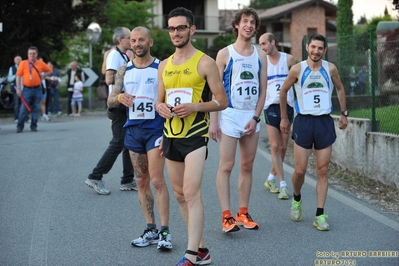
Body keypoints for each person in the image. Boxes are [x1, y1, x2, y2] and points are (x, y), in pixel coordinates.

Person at [156, 7, 228, 266]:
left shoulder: (204, 62)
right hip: (171, 135)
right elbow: (158, 102)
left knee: (191, 192)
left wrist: (195, 106)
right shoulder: (163, 65)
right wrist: (161, 107)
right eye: (172, 28)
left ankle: (190, 257)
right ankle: (202, 250)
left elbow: (222, 101)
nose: (175, 32)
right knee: (179, 195)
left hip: (196, 135)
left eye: (181, 27)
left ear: (191, 29)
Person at [107, 26, 172, 251]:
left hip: (155, 129)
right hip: (133, 130)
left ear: (150, 42)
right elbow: (110, 100)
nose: (137, 44)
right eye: (133, 41)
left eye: (141, 40)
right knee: (142, 181)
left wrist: (167, 131)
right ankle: (150, 229)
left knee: (157, 180)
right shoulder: (124, 70)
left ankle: (165, 231)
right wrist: (120, 97)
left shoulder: (161, 67)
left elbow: (170, 97)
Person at [279, 33, 348, 231]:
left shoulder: (330, 68)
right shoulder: (297, 69)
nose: (316, 51)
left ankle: (319, 214)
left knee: (322, 170)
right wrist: (285, 117)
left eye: (320, 48)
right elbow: (283, 91)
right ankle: (297, 198)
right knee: (300, 170)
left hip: (324, 122)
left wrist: (344, 114)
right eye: (313, 47)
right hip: (304, 122)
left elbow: (340, 88)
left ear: (324, 50)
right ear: (307, 47)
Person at [210, 8, 267, 234]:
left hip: (251, 116)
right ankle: (227, 216)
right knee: (227, 165)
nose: (249, 25)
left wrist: (255, 117)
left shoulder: (260, 54)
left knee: (247, 166)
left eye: (253, 22)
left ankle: (243, 213)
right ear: (237, 24)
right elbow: (215, 92)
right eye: (245, 21)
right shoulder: (225, 54)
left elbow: (264, 90)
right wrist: (214, 121)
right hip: (230, 115)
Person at [85, 27, 136, 195]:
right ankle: (95, 176)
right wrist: (128, 77)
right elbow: (108, 79)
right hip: (116, 104)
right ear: (121, 40)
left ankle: (127, 180)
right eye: (130, 38)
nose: (133, 40)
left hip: (124, 104)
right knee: (118, 142)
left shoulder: (124, 55)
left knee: (127, 142)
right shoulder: (115, 55)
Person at [258, 32, 295, 200]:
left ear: (273, 42)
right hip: (270, 107)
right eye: (260, 45)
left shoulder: (289, 60)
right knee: (274, 146)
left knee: (282, 148)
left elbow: (298, 85)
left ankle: (270, 178)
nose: (262, 47)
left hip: (287, 108)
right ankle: (282, 184)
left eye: (264, 43)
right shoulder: (262, 63)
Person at [15, 46, 52, 133]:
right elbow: (18, 76)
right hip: (26, 89)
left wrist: (43, 76)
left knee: (36, 108)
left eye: (34, 54)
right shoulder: (23, 63)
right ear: (28, 54)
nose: (32, 55)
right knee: (23, 109)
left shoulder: (40, 63)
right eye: (30, 54)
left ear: (37, 54)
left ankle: (34, 126)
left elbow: (50, 70)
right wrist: (18, 89)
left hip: (37, 89)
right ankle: (19, 127)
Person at [7, 55, 25, 123]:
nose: (18, 61)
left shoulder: (24, 67)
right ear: (14, 61)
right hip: (16, 88)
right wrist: (16, 75)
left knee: (24, 103)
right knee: (16, 104)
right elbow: (9, 79)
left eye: (19, 59)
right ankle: (16, 117)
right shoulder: (12, 68)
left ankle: (25, 117)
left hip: (24, 87)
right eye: (17, 59)